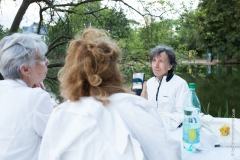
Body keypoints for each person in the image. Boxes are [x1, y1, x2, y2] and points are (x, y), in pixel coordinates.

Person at [38, 28, 181, 160]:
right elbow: (170, 154)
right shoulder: (137, 106)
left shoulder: (60, 115)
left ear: (71, 72)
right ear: (114, 70)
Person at [0, 33, 54, 160]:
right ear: (25, 70)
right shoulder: (36, 97)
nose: (47, 62)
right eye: (42, 59)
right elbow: (59, 136)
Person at [140, 45, 189, 130]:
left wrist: (158, 116)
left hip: (173, 132)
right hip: (150, 129)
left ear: (170, 66)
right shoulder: (148, 83)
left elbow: (182, 116)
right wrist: (141, 100)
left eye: (161, 61)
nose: (156, 65)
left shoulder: (180, 84)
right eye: (154, 60)